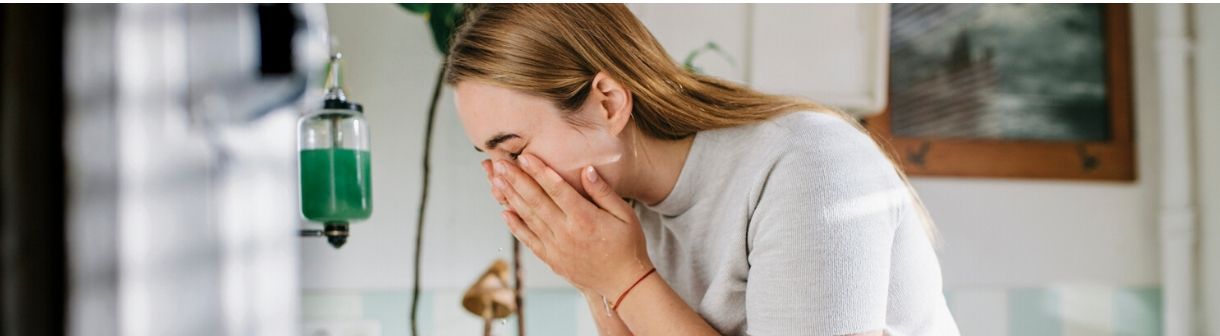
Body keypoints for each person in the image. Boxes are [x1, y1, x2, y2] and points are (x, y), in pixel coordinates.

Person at [446, 4, 959, 335]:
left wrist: (624, 277)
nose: (506, 182)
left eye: (513, 150)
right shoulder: (624, 213)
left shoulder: (806, 164)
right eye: (489, 159)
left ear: (606, 102)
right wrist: (591, 277)